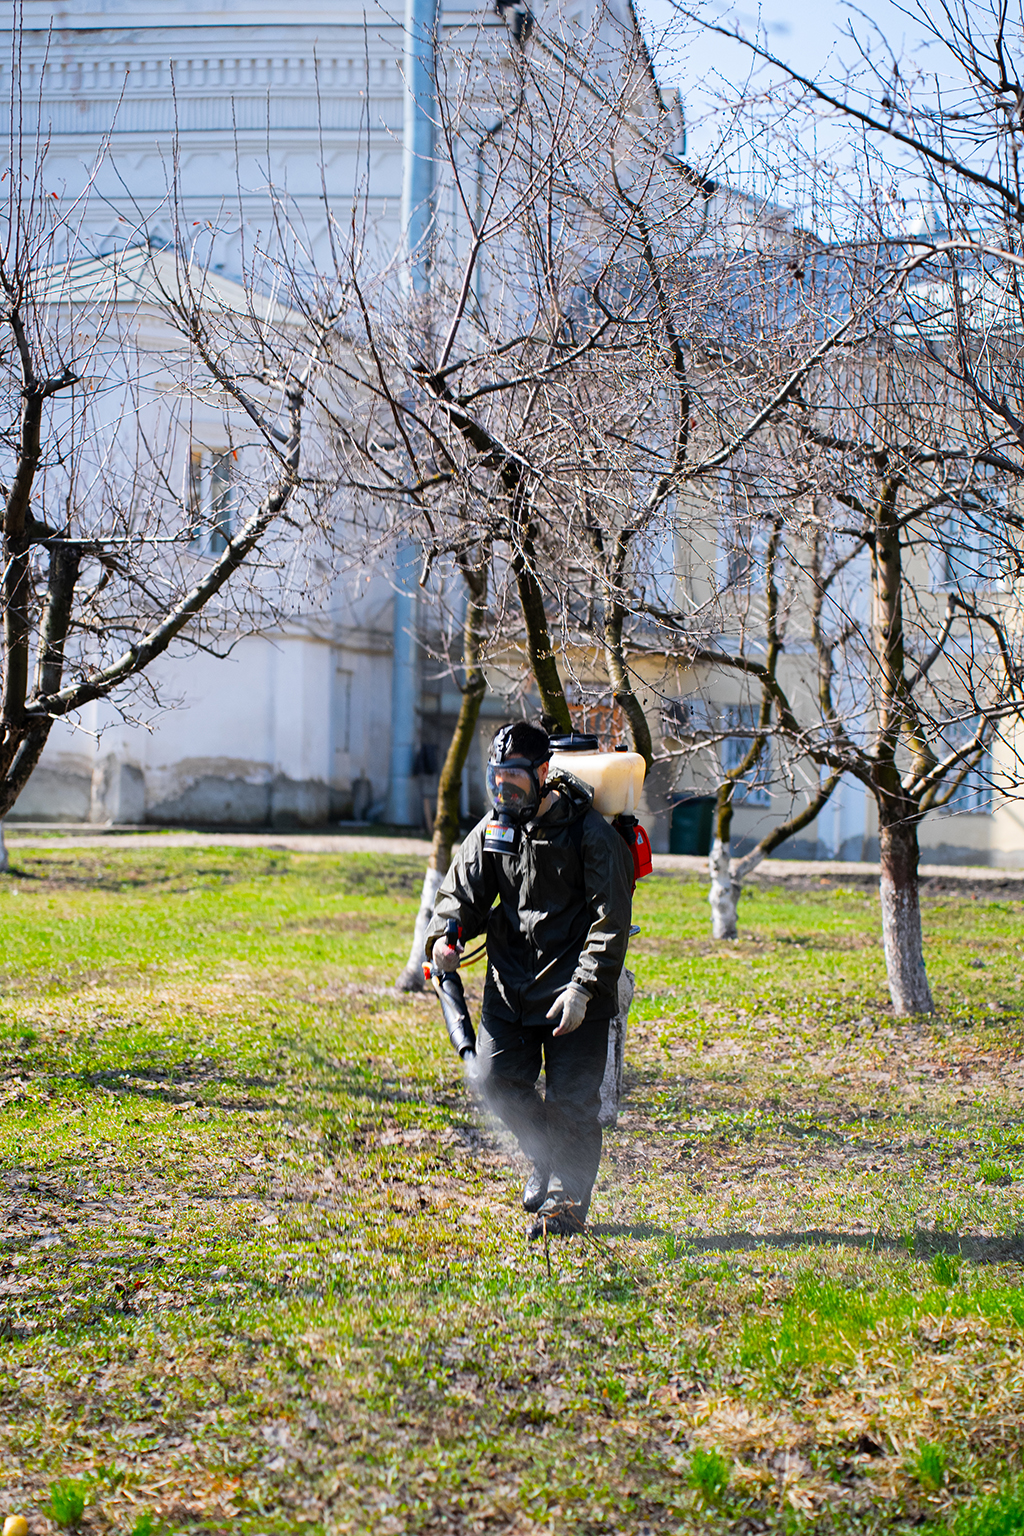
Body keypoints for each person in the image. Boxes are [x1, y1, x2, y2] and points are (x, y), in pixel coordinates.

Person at [425, 721, 634, 1237]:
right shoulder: (496, 830)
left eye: (515, 778)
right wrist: (444, 940)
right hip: (510, 991)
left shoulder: (591, 836)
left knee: (572, 1104)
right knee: (495, 1081)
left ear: (543, 773)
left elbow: (611, 922)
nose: (505, 790)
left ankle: (566, 1202)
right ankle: (544, 1156)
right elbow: (458, 897)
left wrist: (585, 989)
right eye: (498, 778)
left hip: (575, 996)